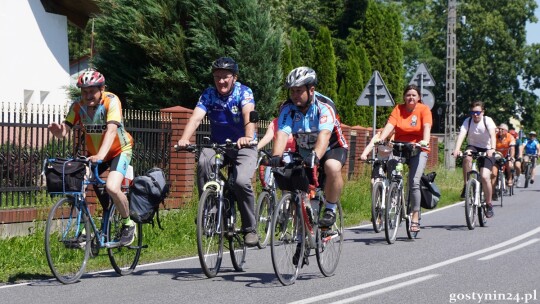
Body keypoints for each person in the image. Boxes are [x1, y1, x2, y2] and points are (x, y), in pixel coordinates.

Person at [176, 57, 259, 246]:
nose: (221, 81)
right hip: (218, 145)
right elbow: (196, 118)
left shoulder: (244, 92)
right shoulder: (208, 94)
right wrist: (184, 139)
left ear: (234, 78)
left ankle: (249, 228)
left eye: (225, 77)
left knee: (240, 181)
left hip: (244, 145)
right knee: (204, 163)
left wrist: (247, 136)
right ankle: (210, 213)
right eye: (217, 77)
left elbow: (248, 114)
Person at [48, 69, 135, 247]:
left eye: (92, 91)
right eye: (84, 91)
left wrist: (101, 156)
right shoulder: (78, 106)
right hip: (95, 154)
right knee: (76, 186)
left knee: (112, 187)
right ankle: (82, 231)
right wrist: (59, 132)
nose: (88, 95)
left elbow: (111, 131)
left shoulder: (111, 101)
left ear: (102, 88)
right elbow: (66, 128)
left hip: (119, 150)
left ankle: (128, 223)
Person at [271, 67, 348, 226]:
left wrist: (316, 156)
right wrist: (276, 157)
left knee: (332, 167)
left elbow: (325, 135)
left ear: (311, 90)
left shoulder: (324, 106)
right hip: (304, 149)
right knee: (297, 185)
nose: (294, 95)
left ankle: (330, 209)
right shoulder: (288, 108)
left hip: (331, 147)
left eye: (299, 91)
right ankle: (302, 230)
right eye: (292, 91)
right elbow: (283, 134)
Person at [376, 84, 432, 233]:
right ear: (404, 97)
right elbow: (390, 125)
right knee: (392, 174)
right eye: (408, 95)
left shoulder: (424, 110)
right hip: (399, 147)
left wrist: (425, 141)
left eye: (414, 95)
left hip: (418, 148)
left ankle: (415, 215)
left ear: (419, 97)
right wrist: (381, 139)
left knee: (414, 182)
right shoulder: (398, 109)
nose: (411, 97)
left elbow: (427, 126)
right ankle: (392, 201)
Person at [452, 100, 497, 218]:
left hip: (487, 149)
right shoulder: (468, 121)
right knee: (466, 157)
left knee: (484, 176)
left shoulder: (488, 121)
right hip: (473, 147)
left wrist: (492, 149)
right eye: (473, 112)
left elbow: (493, 135)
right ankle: (466, 185)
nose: (475, 115)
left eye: (477, 112)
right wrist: (457, 149)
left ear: (482, 112)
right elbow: (462, 134)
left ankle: (488, 204)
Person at [491, 123, 515, 197]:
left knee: (510, 165)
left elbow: (512, 148)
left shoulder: (510, 137)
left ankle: (510, 178)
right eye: (499, 128)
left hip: (505, 156)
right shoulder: (495, 136)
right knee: (493, 174)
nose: (500, 130)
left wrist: (511, 157)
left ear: (506, 131)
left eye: (502, 129)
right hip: (496, 156)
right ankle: (493, 191)